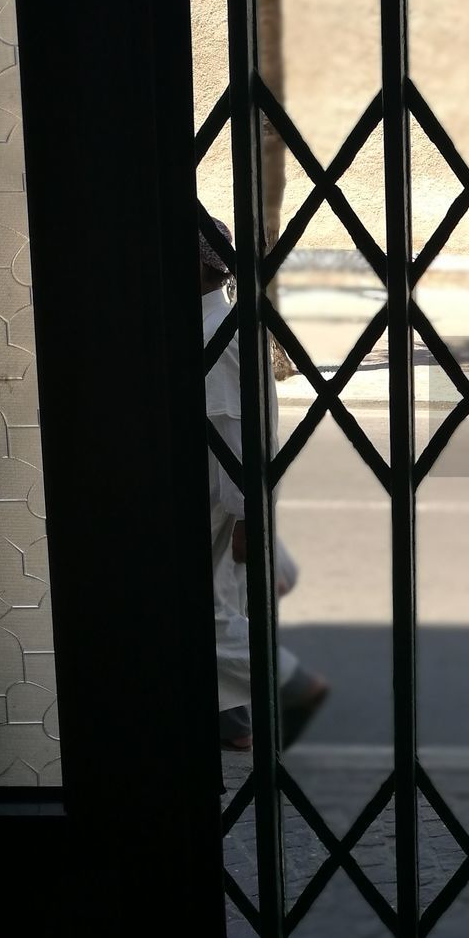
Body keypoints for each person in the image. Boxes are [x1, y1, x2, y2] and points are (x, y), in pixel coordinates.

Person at [200, 217, 329, 750]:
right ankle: (232, 721)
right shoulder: (218, 326)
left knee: (201, 610)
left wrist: (250, 516)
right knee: (221, 600)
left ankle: (295, 685)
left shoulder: (216, 335)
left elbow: (238, 431)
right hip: (222, 496)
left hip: (213, 496)